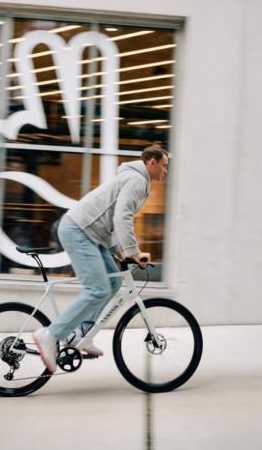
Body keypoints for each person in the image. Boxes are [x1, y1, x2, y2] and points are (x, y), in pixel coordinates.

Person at [33, 144, 169, 373]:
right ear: (152, 162)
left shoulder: (135, 179)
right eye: (164, 166)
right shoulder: (137, 181)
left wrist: (118, 250)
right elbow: (121, 216)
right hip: (78, 231)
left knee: (113, 283)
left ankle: (80, 333)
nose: (166, 172)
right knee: (97, 288)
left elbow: (107, 218)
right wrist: (133, 252)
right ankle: (50, 334)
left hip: (92, 234)